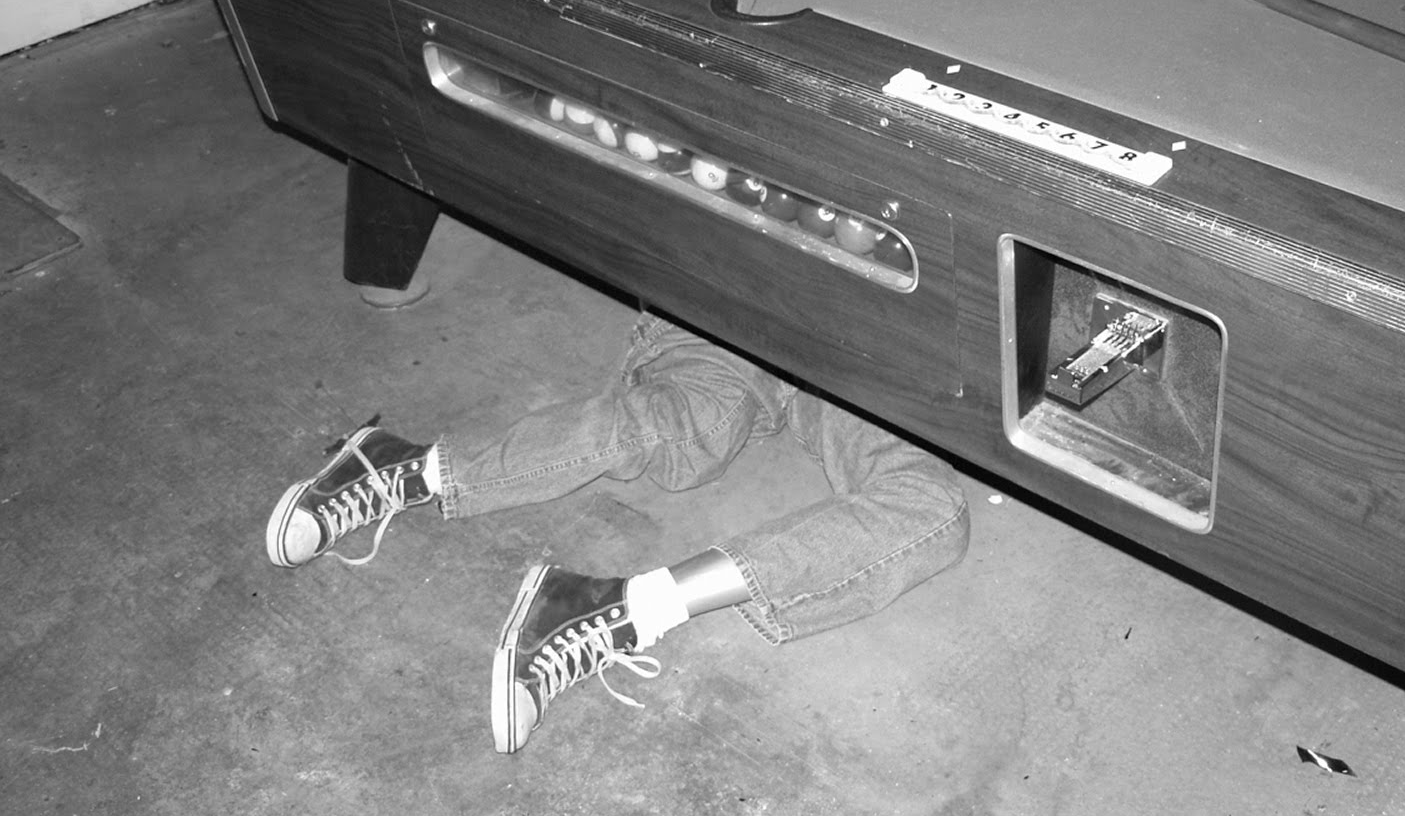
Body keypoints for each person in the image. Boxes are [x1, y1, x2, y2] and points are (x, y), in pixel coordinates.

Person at [266, 312, 969, 754]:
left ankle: (613, 607)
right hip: (737, 301)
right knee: (683, 435)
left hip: (870, 347)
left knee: (931, 507)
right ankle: (403, 466)